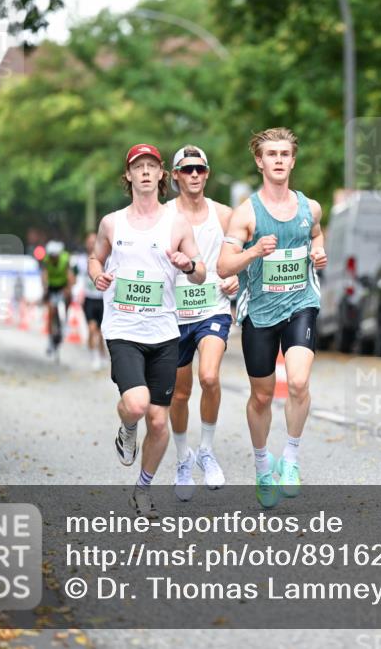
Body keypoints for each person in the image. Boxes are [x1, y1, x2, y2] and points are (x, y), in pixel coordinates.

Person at [88, 143, 206, 518]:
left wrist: (187, 265)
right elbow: (95, 257)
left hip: (164, 331)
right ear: (128, 175)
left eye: (150, 165)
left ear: (160, 175)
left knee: (158, 421)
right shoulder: (112, 222)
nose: (144, 171)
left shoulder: (177, 224)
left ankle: (142, 489)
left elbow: (202, 271)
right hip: (123, 329)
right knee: (137, 406)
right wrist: (98, 276)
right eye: (137, 166)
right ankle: (126, 427)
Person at [218, 127, 327, 508]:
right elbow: (222, 264)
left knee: (298, 382)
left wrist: (318, 252)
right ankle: (264, 467)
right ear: (260, 161)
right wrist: (252, 253)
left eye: (285, 154)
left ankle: (292, 459)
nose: (279, 160)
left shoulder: (309, 207)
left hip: (301, 302)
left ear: (292, 161)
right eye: (272, 154)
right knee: (262, 396)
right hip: (260, 311)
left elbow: (315, 234)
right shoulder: (246, 213)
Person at [166, 145, 239, 500]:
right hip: (174, 315)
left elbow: (244, 257)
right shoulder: (163, 217)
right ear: (175, 176)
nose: (194, 175)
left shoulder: (224, 215)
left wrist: (239, 280)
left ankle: (207, 451)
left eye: (200, 169)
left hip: (214, 308)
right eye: (187, 169)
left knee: (209, 376)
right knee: (179, 393)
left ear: (207, 174)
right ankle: (183, 459)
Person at [78, 232, 108, 370]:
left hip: (102, 299)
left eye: (93, 241)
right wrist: (77, 293)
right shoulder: (80, 260)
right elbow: (77, 278)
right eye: (89, 241)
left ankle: (102, 353)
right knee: (91, 328)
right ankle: (94, 355)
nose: (91, 244)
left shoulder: (106, 259)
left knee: (101, 332)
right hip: (89, 299)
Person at [42, 239, 75, 356]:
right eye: (51, 256)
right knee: (51, 310)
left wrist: (69, 289)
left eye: (54, 256)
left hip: (63, 286)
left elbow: (70, 275)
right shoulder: (47, 260)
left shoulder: (65, 259)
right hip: (52, 287)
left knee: (67, 300)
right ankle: (50, 339)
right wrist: (45, 288)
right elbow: (44, 275)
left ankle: (65, 321)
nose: (53, 258)